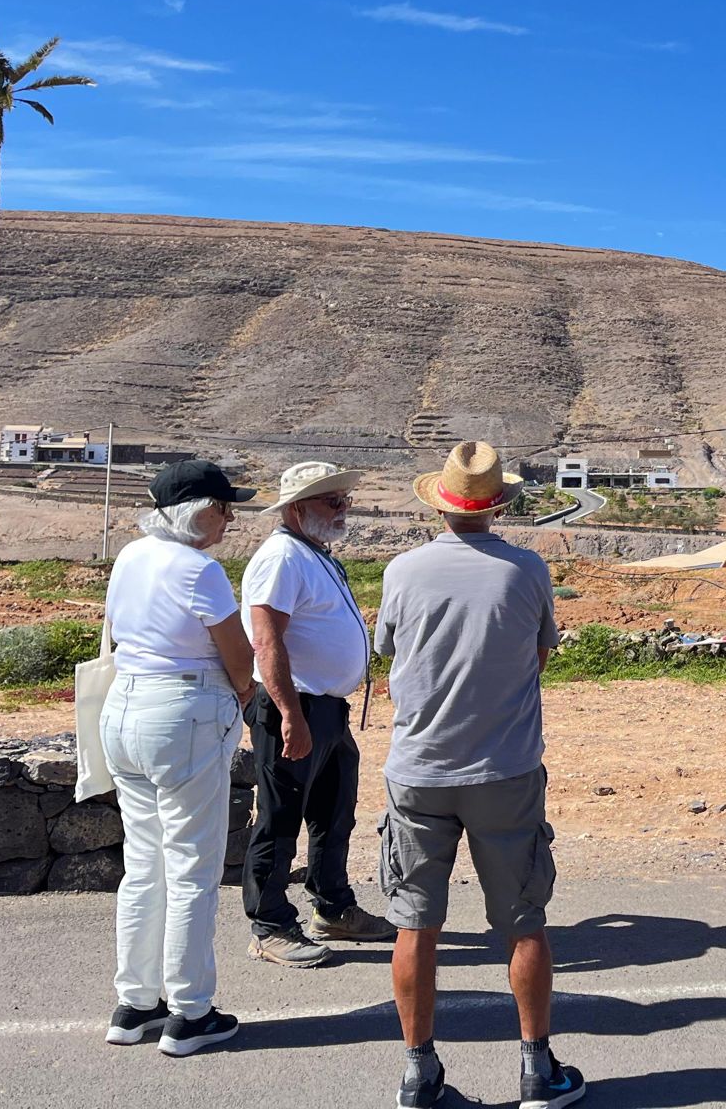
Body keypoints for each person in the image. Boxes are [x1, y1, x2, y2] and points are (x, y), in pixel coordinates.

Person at [375, 441, 587, 1109]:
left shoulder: (402, 571)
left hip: (419, 767)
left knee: (417, 925)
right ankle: (535, 1067)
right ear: (497, 504)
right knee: (523, 922)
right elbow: (539, 654)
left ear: (441, 503)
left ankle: (418, 1070)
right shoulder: (526, 571)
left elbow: (390, 658)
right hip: (504, 768)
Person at [98, 459, 259, 1057]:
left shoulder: (131, 556)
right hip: (184, 711)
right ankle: (189, 1012)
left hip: (126, 705)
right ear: (198, 512)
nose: (229, 519)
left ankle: (136, 1003)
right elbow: (237, 655)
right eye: (223, 508)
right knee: (192, 864)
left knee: (144, 864)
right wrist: (243, 694)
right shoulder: (202, 569)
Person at [239, 461, 394, 966]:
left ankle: (333, 907)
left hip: (326, 708)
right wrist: (290, 714)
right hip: (297, 707)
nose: (343, 510)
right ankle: (270, 925)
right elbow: (267, 640)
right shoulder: (282, 557)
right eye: (332, 502)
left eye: (344, 500)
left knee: (333, 814)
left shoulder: (313, 553)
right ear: (297, 508)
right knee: (280, 819)